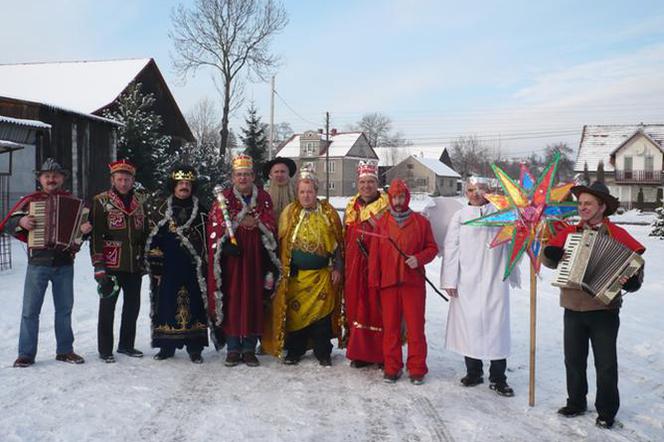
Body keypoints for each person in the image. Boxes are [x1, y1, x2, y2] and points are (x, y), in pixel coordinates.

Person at [542, 181, 645, 429]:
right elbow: (546, 256)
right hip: (572, 306)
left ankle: (607, 410)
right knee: (573, 360)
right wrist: (551, 255)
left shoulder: (617, 235)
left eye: (588, 203)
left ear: (602, 207)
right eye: (580, 203)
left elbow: (636, 265)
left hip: (604, 310)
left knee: (606, 364)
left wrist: (632, 281)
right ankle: (576, 402)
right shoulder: (570, 232)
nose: (583, 208)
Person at [1, 159, 90, 367]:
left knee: (64, 309)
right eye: (47, 175)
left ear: (62, 178)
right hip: (38, 263)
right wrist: (21, 222)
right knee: (30, 310)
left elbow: (79, 233)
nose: (51, 179)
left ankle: (65, 350)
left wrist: (85, 231)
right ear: (40, 179)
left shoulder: (74, 202)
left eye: (56, 175)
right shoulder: (31, 200)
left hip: (64, 263)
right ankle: (26, 353)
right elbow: (8, 223)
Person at [441, 178, 520, 397]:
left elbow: (515, 239)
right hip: (468, 280)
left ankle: (498, 377)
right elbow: (451, 248)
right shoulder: (459, 217)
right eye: (471, 190)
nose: (475, 194)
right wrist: (450, 280)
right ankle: (474, 371)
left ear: (489, 191)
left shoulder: (501, 213)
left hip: (495, 279)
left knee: (496, 328)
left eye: (480, 189)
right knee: (470, 326)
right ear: (466, 192)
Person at [262, 165, 343, 366]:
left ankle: (322, 351)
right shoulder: (290, 213)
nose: (306, 196)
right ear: (297, 193)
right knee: (295, 315)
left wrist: (338, 268)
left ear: (316, 191)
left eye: (310, 191)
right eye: (302, 192)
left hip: (321, 277)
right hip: (296, 278)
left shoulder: (328, 213)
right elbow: (280, 244)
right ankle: (295, 350)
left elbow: (338, 245)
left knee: (321, 317)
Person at [207, 154, 279, 367]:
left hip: (256, 258)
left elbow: (270, 222)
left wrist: (258, 224)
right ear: (233, 177)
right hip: (233, 261)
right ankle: (232, 347)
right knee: (232, 300)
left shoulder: (263, 197)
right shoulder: (224, 198)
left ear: (253, 176)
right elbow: (215, 224)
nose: (243, 178)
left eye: (247, 174)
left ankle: (248, 347)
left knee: (254, 299)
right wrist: (225, 243)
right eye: (239, 175)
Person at [369, 179, 438, 384]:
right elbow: (374, 256)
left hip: (413, 283)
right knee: (390, 328)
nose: (398, 201)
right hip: (389, 284)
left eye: (401, 197)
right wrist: (374, 281)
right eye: (394, 197)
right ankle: (392, 366)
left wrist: (419, 258)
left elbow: (432, 248)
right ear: (390, 198)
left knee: (416, 327)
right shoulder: (382, 224)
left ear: (407, 197)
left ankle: (417, 368)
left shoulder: (421, 222)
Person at [145, 165, 210, 363]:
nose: (184, 187)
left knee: (196, 305)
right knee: (165, 305)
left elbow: (208, 240)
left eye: (188, 184)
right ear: (173, 186)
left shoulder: (202, 211)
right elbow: (152, 240)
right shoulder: (161, 210)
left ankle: (195, 348)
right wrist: (156, 267)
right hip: (168, 268)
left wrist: (205, 264)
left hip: (193, 268)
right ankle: (166, 347)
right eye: (180, 183)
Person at [90, 159, 149, 363]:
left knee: (132, 306)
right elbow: (96, 235)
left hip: (135, 263)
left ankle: (126, 344)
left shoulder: (141, 201)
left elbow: (146, 232)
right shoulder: (101, 201)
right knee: (107, 307)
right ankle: (105, 349)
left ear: (133, 180)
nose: (123, 183)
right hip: (111, 263)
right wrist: (98, 265)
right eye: (120, 179)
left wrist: (148, 256)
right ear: (113, 179)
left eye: (127, 179)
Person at [343, 159, 389, 368]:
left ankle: (382, 353)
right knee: (356, 306)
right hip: (354, 265)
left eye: (370, 182)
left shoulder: (387, 205)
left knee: (378, 308)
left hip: (378, 264)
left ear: (376, 183)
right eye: (362, 183)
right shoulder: (351, 205)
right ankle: (359, 353)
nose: (366, 187)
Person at [263, 156, 297, 222]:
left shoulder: (297, 194)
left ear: (288, 174)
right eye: (276, 172)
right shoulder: (263, 196)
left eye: (283, 171)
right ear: (270, 175)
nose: (279, 175)